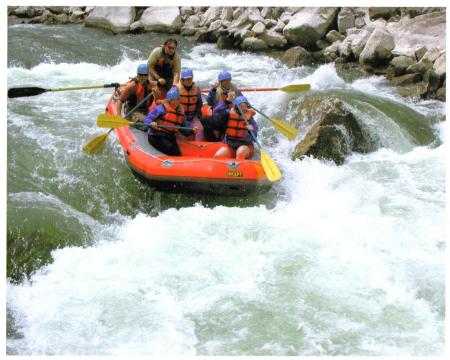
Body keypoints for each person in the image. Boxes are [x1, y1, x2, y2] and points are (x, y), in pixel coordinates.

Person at [144, 87, 196, 156]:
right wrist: (150, 123)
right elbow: (148, 118)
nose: (175, 102)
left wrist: (192, 130)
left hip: (169, 137)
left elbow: (185, 127)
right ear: (168, 100)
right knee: (171, 149)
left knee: (178, 153)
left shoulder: (181, 112)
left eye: (177, 100)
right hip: (156, 136)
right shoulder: (161, 108)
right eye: (172, 100)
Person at [202, 71, 243, 141]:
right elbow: (210, 103)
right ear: (220, 82)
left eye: (228, 80)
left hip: (232, 117)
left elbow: (243, 103)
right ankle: (212, 141)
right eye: (225, 81)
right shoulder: (216, 91)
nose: (227, 82)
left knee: (226, 115)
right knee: (204, 120)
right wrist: (213, 90)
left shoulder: (236, 91)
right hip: (220, 118)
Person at [213, 96, 258, 160]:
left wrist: (251, 131)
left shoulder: (250, 119)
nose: (244, 108)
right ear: (236, 107)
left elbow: (254, 138)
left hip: (246, 146)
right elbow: (216, 113)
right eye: (241, 106)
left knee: (240, 153)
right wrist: (226, 101)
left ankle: (240, 169)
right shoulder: (228, 114)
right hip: (231, 146)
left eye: (245, 106)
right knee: (218, 156)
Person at [177, 68, 204, 141]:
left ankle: (198, 146)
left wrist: (197, 116)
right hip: (181, 117)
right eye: (187, 79)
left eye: (190, 79)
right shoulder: (176, 89)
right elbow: (173, 105)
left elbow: (199, 104)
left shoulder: (196, 88)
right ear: (182, 80)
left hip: (193, 116)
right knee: (182, 132)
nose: (189, 81)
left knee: (200, 129)